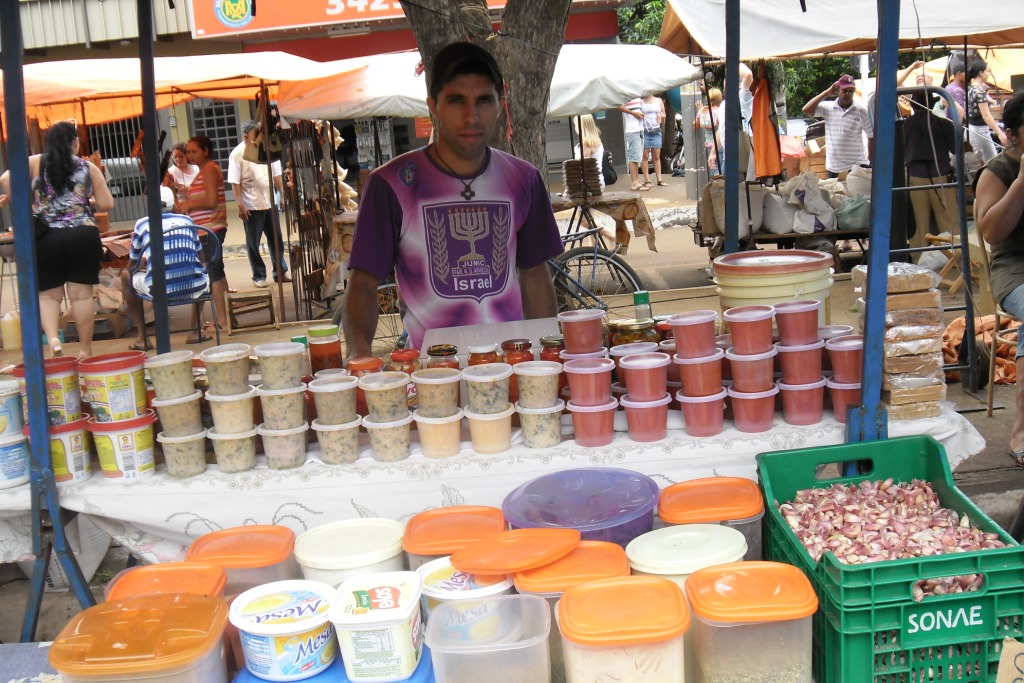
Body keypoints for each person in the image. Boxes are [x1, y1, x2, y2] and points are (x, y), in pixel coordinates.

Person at [343, 41, 563, 357]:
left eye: (484, 100)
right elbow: (362, 283)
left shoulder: (523, 179)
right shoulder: (391, 184)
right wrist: (359, 355)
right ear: (434, 105)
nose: (471, 116)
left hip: (513, 363)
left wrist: (547, 355)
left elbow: (534, 275)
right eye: (457, 100)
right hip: (433, 375)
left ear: (500, 104)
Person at [0, 121, 113, 358]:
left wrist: (29, 204)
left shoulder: (36, 162)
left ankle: (53, 338)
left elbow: (6, 178)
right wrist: (84, 200)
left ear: (48, 143)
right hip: (82, 235)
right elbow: (107, 204)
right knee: (81, 296)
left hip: (46, 236)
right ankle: (84, 348)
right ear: (75, 142)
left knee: (48, 295)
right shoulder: (88, 166)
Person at [974, 92, 1024, 465]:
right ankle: (1022, 433)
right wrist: (1022, 182)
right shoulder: (998, 171)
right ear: (1014, 135)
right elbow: (991, 232)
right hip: (1014, 270)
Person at [121, 212, 210, 351]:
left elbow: (131, 266)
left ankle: (142, 338)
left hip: (158, 290)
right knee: (201, 272)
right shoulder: (187, 220)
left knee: (125, 276)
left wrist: (143, 263)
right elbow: (201, 257)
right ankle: (194, 330)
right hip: (194, 287)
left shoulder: (142, 224)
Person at [174, 135, 228, 341]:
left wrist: (189, 205)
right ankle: (224, 317)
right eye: (188, 151)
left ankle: (221, 320)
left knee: (213, 273)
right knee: (217, 272)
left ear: (206, 150)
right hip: (207, 229)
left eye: (193, 151)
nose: (189, 155)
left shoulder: (210, 169)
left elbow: (212, 200)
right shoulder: (204, 171)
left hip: (210, 228)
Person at [228, 120, 289, 288]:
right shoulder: (237, 153)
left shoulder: (268, 148)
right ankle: (258, 275)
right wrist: (240, 204)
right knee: (253, 242)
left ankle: (280, 271)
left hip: (269, 200)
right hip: (251, 203)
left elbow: (276, 175)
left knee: (276, 238)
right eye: (256, 134)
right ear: (246, 136)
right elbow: (234, 182)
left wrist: (282, 195)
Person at [903, 74, 957, 256]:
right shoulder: (943, 123)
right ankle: (956, 257)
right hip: (940, 174)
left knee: (920, 223)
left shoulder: (904, 126)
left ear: (912, 105)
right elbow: (958, 149)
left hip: (916, 176)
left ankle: (918, 259)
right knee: (948, 221)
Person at [802, 73, 873, 178]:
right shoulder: (828, 108)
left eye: (850, 91)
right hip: (834, 168)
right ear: (837, 91)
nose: (847, 94)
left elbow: (871, 137)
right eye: (844, 91)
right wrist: (827, 92)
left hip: (855, 166)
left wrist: (870, 162)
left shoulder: (861, 110)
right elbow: (806, 110)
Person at [967, 58, 1006, 163]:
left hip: (973, 129)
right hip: (980, 130)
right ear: (980, 73)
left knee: (985, 162)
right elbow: (986, 116)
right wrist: (1000, 133)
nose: (989, 74)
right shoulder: (979, 91)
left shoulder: (971, 88)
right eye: (988, 71)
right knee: (992, 162)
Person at [640, 94, 667, 188]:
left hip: (656, 130)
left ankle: (659, 179)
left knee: (656, 156)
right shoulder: (641, 102)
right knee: (645, 156)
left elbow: (664, 113)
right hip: (645, 130)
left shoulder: (658, 100)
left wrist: (661, 116)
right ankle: (647, 180)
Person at [618, 98, 645, 190]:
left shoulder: (638, 96)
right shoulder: (625, 94)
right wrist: (633, 113)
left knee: (637, 156)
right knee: (633, 156)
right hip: (632, 129)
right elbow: (618, 106)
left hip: (640, 128)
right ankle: (634, 182)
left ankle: (637, 180)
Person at [695, 87, 722, 175]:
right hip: (720, 143)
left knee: (713, 166)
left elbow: (696, 124)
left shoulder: (701, 111)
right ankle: (722, 186)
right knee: (722, 167)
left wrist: (700, 109)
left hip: (709, 143)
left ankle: (716, 184)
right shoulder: (719, 111)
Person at [943, 55, 968, 123]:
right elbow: (960, 113)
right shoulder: (958, 91)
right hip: (956, 126)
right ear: (959, 74)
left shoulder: (948, 87)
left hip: (948, 124)